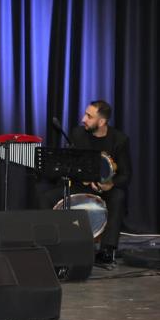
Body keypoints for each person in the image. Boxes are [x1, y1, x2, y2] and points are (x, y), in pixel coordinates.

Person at [40, 100, 131, 264]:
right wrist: (83, 177)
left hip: (106, 189)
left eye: (89, 116)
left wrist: (110, 184)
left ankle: (107, 250)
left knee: (118, 196)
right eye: (85, 114)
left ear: (101, 122)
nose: (83, 119)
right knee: (46, 196)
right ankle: (49, 245)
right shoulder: (78, 134)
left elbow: (125, 175)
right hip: (81, 185)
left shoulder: (119, 140)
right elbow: (69, 166)